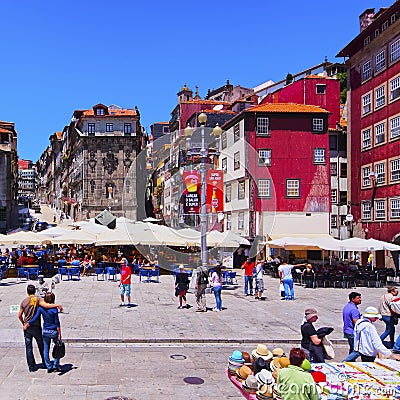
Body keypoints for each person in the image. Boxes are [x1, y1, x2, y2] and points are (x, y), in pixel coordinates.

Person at [18, 284, 62, 372]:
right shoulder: (38, 299)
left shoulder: (23, 302)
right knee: (42, 346)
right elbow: (46, 306)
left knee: (29, 347)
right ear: (34, 291)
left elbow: (19, 315)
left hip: (28, 327)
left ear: (27, 292)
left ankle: (31, 366)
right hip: (37, 327)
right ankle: (48, 364)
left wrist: (24, 324)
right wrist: (57, 305)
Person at [342, 291, 362, 362]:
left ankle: (351, 362)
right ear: (353, 299)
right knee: (357, 350)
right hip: (352, 331)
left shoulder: (347, 306)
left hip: (347, 330)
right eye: (358, 298)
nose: (360, 299)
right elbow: (356, 322)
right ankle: (345, 361)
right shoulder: (354, 310)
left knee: (352, 348)